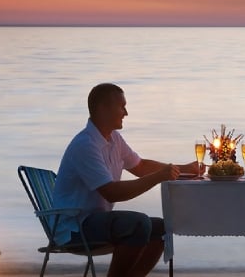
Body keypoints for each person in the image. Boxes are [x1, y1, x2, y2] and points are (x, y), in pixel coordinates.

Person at [52, 83, 199, 277]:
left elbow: (140, 166)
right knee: (138, 224)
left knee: (163, 228)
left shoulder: (114, 139)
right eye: (122, 106)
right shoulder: (85, 145)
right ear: (103, 109)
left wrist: (183, 169)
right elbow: (112, 192)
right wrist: (159, 177)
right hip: (74, 228)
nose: (126, 112)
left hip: (95, 220)